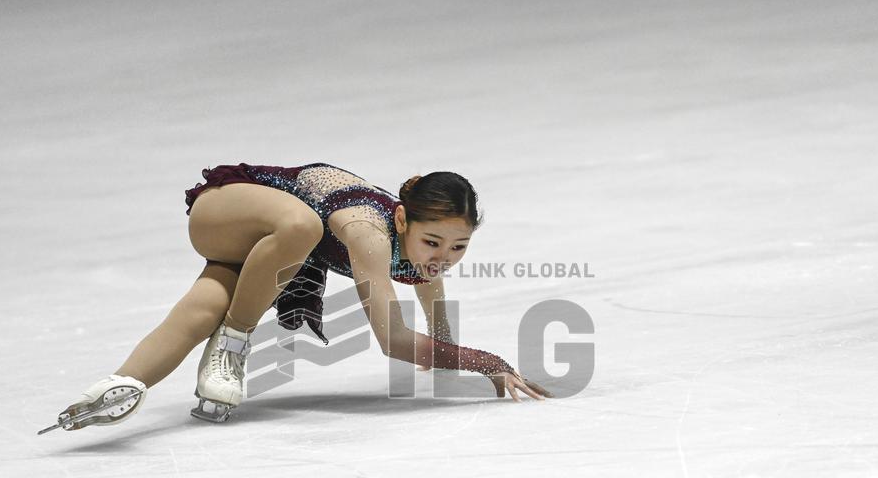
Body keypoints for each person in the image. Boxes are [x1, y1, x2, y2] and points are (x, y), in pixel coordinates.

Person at [43, 162, 552, 433]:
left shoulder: (420, 259)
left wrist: (446, 354)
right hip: (226, 212)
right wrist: (483, 359)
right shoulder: (370, 234)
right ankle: (236, 343)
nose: (443, 257)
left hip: (264, 249)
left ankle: (119, 385)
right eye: (433, 242)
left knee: (203, 311)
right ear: (401, 219)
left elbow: (433, 325)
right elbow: (394, 342)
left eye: (460, 246)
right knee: (302, 223)